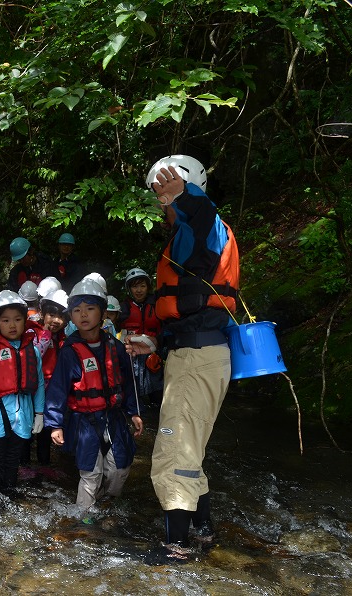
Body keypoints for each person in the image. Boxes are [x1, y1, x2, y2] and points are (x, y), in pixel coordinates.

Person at [128, 155, 239, 565]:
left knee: (174, 453)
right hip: (196, 351)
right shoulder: (192, 236)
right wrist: (156, 347)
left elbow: (203, 214)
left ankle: (177, 546)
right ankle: (202, 529)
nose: (161, 205)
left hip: (199, 357)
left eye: (163, 194)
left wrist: (186, 197)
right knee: (191, 449)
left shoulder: (202, 224)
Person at [44, 279, 143, 520]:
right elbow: (58, 389)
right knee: (91, 471)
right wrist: (55, 423)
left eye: (89, 308)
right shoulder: (70, 351)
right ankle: (83, 517)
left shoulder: (115, 347)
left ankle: (107, 503)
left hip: (114, 416)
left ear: (102, 313)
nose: (83, 315)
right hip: (84, 420)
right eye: (77, 310)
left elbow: (128, 382)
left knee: (120, 467)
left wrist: (134, 412)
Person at [0, 290, 45, 494]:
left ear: (25, 320)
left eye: (17, 319)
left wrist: (39, 413)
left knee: (14, 460)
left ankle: (10, 495)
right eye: (6, 320)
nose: (12, 325)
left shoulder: (33, 350)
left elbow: (38, 383)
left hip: (23, 418)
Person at [118, 267, 164, 408]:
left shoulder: (157, 304)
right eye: (135, 286)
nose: (139, 290)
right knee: (133, 390)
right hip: (132, 353)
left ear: (148, 287)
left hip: (153, 352)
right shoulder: (123, 307)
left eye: (142, 286)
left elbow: (165, 328)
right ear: (129, 289)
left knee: (157, 392)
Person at [34, 288, 68, 466]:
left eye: (60, 317)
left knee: (46, 430)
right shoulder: (34, 333)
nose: (56, 320)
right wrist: (46, 335)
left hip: (53, 389)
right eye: (51, 315)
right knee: (31, 428)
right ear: (43, 314)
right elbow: (35, 356)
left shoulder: (62, 337)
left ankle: (44, 465)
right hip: (36, 389)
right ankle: (25, 464)